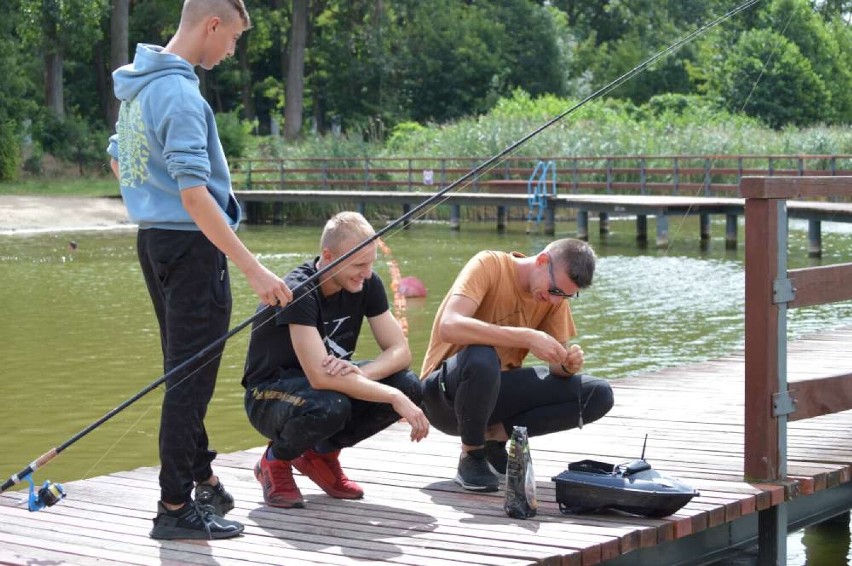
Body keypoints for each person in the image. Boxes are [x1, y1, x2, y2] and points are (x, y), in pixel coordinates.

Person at [106, 0, 292, 540]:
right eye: (232, 38)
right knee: (189, 382)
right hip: (191, 249)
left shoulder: (139, 87)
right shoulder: (181, 94)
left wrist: (148, 196)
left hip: (155, 243)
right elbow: (194, 195)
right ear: (212, 25)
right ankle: (173, 508)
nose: (231, 50)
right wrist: (255, 270)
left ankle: (202, 475)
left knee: (181, 370)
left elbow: (119, 157)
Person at [243, 211, 429, 508]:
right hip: (269, 395)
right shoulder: (299, 290)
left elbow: (400, 351)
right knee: (332, 403)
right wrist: (391, 396)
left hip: (327, 387)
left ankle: (320, 456)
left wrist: (363, 375)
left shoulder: (367, 283)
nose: (367, 273)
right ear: (328, 256)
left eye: (370, 264)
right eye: (358, 264)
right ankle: (274, 461)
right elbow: (320, 377)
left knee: (409, 385)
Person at [420, 238, 614, 492]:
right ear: (542, 261)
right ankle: (471, 455)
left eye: (567, 296)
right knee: (482, 356)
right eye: (555, 291)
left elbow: (556, 368)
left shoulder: (553, 299)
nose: (556, 301)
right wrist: (525, 336)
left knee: (597, 393)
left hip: (493, 395)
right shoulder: (489, 264)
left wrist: (566, 365)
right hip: (443, 398)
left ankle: (493, 439)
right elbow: (450, 325)